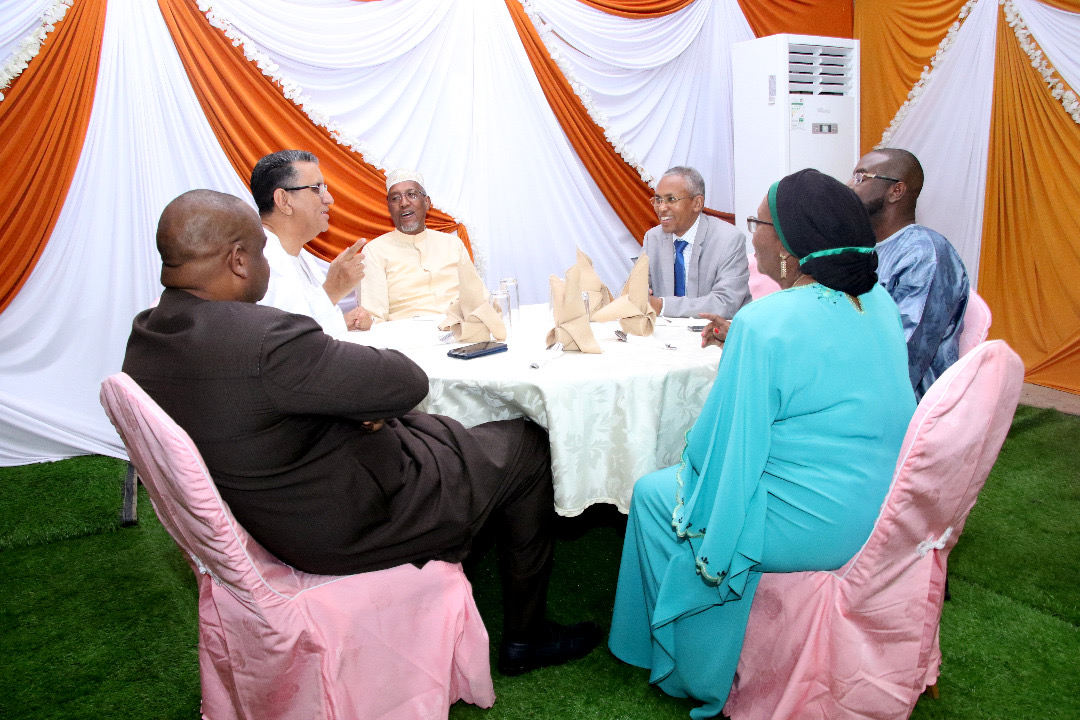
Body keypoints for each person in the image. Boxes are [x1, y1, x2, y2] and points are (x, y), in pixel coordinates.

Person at [123, 189, 601, 676]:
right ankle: (527, 635)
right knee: (526, 442)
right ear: (239, 260)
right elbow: (407, 381)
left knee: (447, 430)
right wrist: (354, 401)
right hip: (350, 518)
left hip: (274, 501)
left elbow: (248, 405)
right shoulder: (263, 339)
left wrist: (343, 404)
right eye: (262, 252)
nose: (267, 264)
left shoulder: (147, 335)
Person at [609, 170, 916, 719]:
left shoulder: (765, 321)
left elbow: (727, 453)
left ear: (790, 241)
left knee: (655, 494)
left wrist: (696, 484)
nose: (753, 236)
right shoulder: (878, 302)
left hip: (819, 523)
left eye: (759, 223)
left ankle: (679, 664)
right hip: (890, 506)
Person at [848, 148, 970, 401]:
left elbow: (905, 353)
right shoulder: (863, 248)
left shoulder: (926, 255)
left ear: (896, 191)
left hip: (904, 402)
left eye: (861, 177)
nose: (849, 185)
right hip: (857, 383)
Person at [250, 150, 371, 335]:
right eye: (317, 189)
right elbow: (284, 342)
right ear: (284, 200)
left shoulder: (299, 254)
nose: (329, 199)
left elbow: (315, 325)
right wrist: (332, 291)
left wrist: (344, 322)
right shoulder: (260, 259)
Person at [359, 169, 471, 323]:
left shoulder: (453, 244)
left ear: (427, 202)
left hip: (460, 333)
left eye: (411, 194)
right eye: (395, 198)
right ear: (389, 208)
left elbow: (477, 299)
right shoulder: (374, 252)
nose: (404, 203)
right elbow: (373, 318)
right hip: (406, 340)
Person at [643, 166, 751, 319]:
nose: (661, 208)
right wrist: (637, 294)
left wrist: (662, 306)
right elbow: (633, 289)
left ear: (697, 203)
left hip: (713, 336)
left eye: (671, 199)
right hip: (664, 335)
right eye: (658, 200)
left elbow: (726, 303)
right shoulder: (652, 238)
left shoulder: (729, 239)